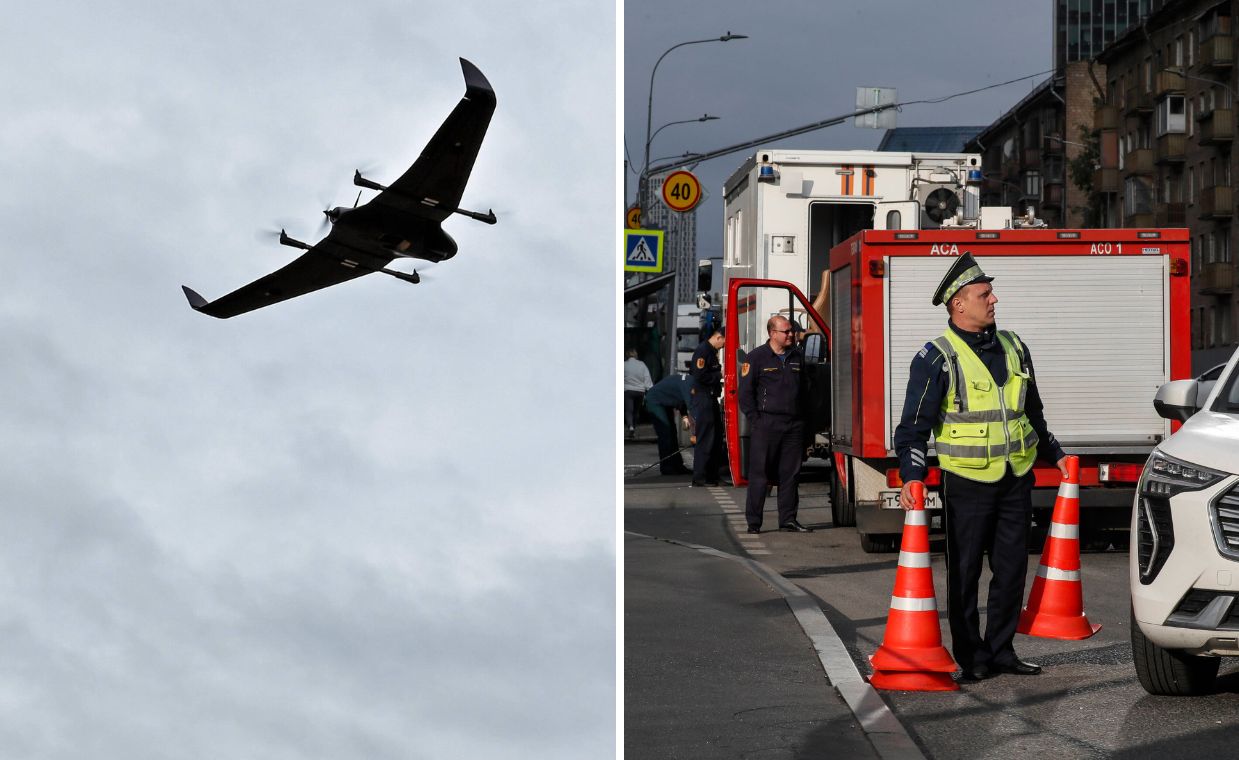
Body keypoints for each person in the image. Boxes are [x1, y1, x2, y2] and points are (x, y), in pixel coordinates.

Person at [893, 252, 1069, 682]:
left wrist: (1057, 455)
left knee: (1011, 570)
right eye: (984, 294)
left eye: (990, 292)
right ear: (958, 303)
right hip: (967, 482)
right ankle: (972, 656)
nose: (994, 300)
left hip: (1015, 479)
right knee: (965, 574)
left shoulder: (1014, 346)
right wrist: (913, 476)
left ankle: (1002, 651)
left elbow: (1032, 412)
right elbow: (912, 428)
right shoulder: (936, 357)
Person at [738, 316, 812, 534]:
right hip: (766, 424)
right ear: (772, 333)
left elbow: (807, 390)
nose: (790, 334)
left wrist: (804, 421)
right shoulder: (757, 358)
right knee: (760, 475)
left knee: (790, 474)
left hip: (793, 425)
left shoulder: (797, 356)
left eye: (791, 331)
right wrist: (756, 420)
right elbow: (745, 394)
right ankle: (754, 522)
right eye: (786, 331)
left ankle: (788, 519)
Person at [688, 328, 728, 487]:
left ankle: (711, 476)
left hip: (710, 397)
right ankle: (700, 476)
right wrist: (720, 375)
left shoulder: (710, 351)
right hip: (703, 397)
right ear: (719, 337)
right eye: (724, 342)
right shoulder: (703, 351)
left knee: (716, 437)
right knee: (706, 438)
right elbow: (699, 375)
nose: (724, 346)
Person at [643, 373, 694, 476]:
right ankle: (667, 467)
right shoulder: (689, 384)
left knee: (672, 432)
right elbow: (691, 406)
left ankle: (677, 465)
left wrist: (684, 416)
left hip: (664, 402)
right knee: (666, 433)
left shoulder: (689, 381)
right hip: (655, 401)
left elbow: (681, 400)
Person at [623, 349, 654, 438]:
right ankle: (634, 429)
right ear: (636, 355)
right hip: (640, 391)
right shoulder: (642, 364)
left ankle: (631, 427)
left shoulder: (624, 365)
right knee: (636, 411)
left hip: (628, 390)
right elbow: (647, 377)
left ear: (627, 355)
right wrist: (649, 388)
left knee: (629, 410)